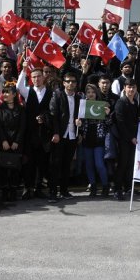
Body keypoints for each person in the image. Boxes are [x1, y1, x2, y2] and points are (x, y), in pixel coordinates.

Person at [17, 67, 53, 200]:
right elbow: (19, 86)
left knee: (42, 162)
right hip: (30, 133)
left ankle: (38, 188)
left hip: (44, 133)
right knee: (28, 162)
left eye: (38, 76)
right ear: (30, 79)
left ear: (43, 77)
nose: (36, 79)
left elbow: (52, 111)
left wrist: (44, 117)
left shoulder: (50, 92)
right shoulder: (28, 91)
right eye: (33, 77)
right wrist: (24, 69)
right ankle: (27, 187)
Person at [47, 72, 81, 202]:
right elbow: (53, 115)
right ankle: (52, 192)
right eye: (68, 81)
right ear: (64, 83)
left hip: (72, 135)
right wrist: (55, 133)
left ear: (76, 84)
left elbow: (80, 116)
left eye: (73, 81)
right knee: (55, 164)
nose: (70, 83)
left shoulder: (78, 98)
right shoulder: (57, 95)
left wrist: (80, 126)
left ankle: (64, 190)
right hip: (59, 135)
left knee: (67, 165)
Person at [76, 84, 112, 197]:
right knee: (89, 165)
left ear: (96, 93)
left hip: (99, 139)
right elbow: (80, 125)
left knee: (99, 164)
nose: (90, 94)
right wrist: (78, 123)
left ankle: (106, 186)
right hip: (87, 138)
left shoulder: (103, 105)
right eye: (88, 92)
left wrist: (107, 115)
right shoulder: (83, 105)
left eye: (93, 92)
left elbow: (109, 124)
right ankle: (93, 186)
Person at [0, 84, 26, 202]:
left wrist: (16, 141)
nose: (5, 95)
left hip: (16, 143)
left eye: (8, 92)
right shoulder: (0, 108)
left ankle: (13, 191)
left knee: (15, 168)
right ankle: (4, 191)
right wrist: (3, 140)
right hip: (3, 143)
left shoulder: (21, 108)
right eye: (4, 92)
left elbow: (22, 126)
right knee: (3, 168)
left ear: (14, 94)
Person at [113, 78, 140, 200]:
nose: (131, 89)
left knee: (130, 164)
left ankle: (128, 187)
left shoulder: (135, 102)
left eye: (133, 87)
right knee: (122, 164)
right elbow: (120, 123)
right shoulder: (121, 102)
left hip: (133, 139)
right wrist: (131, 137)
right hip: (124, 139)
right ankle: (117, 189)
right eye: (129, 87)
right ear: (124, 88)